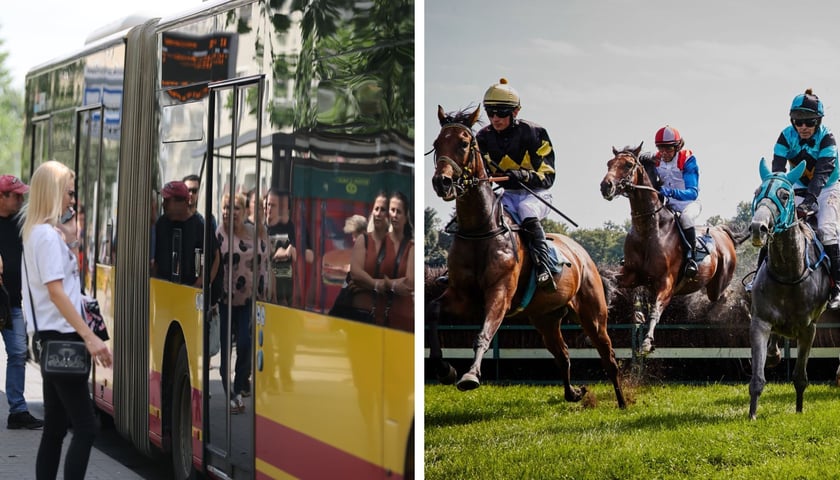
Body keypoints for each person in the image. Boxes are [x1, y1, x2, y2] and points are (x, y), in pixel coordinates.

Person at [20, 160, 112, 479]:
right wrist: (89, 336)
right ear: (54, 191)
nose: (73, 200)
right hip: (64, 339)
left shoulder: (42, 234)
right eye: (69, 193)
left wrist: (71, 240)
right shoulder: (45, 236)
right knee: (86, 428)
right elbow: (57, 293)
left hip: (53, 339)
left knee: (56, 428)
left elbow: (65, 285)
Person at [477, 77, 557, 290]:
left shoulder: (535, 133)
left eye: (501, 112)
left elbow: (548, 177)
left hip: (536, 194)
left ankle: (544, 266)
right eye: (490, 112)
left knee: (525, 208)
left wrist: (522, 176)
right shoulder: (482, 138)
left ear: (515, 112)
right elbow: (481, 174)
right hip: (506, 195)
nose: (495, 118)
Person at [768, 88, 840, 308]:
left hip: (828, 186)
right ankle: (759, 277)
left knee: (827, 229)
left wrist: (810, 202)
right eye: (798, 122)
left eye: (809, 122)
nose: (803, 127)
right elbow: (779, 171)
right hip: (798, 184)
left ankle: (837, 286)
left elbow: (821, 176)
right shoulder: (784, 136)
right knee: (777, 224)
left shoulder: (827, 138)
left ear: (818, 121)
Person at [216, 192, 269, 411]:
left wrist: (265, 291)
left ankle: (239, 386)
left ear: (244, 211)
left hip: (247, 299)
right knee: (226, 350)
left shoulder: (253, 233)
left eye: (235, 208)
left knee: (246, 344)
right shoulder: (218, 234)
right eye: (226, 208)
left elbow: (264, 263)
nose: (230, 212)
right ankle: (232, 395)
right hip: (225, 300)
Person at [0, 175, 44, 430]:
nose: (21, 199)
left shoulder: (21, 222)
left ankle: (17, 410)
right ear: (2, 197)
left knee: (18, 353)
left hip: (12, 302)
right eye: (16, 195)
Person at [639, 125, 702, 277]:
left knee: (685, 218)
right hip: (668, 205)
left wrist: (670, 192)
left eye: (668, 149)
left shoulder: (687, 159)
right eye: (661, 148)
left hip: (689, 204)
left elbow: (692, 193)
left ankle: (691, 258)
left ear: (677, 146)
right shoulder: (657, 158)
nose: (664, 153)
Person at [265, 189, 312, 305]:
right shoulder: (260, 229)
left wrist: (292, 251)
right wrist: (277, 254)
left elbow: (310, 256)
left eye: (274, 206)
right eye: (268, 204)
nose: (269, 209)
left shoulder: (294, 229)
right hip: (267, 291)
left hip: (290, 292)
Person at [383, 191, 414, 332]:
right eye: (391, 210)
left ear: (406, 217)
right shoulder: (377, 241)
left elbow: (409, 284)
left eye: (398, 212)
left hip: (403, 317)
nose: (394, 215)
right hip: (378, 316)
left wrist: (385, 283)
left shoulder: (411, 246)